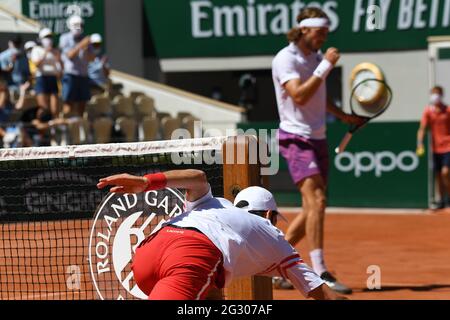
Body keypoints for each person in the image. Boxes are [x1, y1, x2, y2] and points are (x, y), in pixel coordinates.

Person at [96, 169, 342, 300]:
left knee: (212, 289)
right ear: (270, 215)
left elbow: (199, 177)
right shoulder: (273, 235)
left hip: (149, 252)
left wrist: (146, 182)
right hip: (190, 257)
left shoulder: (216, 205)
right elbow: (325, 295)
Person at [271, 7, 366, 294]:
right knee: (318, 201)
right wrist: (325, 66)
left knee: (311, 208)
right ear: (303, 30)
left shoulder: (314, 57)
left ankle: (277, 266)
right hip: (295, 138)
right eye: (320, 32)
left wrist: (344, 116)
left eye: (326, 32)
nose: (324, 37)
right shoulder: (285, 58)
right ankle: (320, 271)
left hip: (318, 138)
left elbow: (318, 99)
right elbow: (300, 96)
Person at [417, 86, 450, 209]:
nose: (435, 96)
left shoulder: (448, 110)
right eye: (433, 94)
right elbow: (422, 128)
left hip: (448, 146)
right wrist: (419, 143)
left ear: (442, 95)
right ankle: (441, 199)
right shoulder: (428, 111)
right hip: (435, 148)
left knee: (445, 172)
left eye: (437, 94)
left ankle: (449, 197)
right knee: (438, 175)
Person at [59, 15, 95, 117]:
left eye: (80, 25)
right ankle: (67, 127)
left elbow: (91, 59)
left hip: (83, 76)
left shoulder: (86, 40)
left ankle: (78, 127)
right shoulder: (65, 38)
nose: (78, 27)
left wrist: (87, 49)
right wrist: (81, 45)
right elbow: (69, 55)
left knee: (82, 104)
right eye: (75, 25)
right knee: (68, 103)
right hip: (70, 75)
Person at [31, 28, 63, 118]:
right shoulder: (36, 49)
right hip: (41, 78)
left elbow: (60, 67)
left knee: (55, 109)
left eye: (50, 37)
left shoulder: (55, 51)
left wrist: (58, 58)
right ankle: (43, 129)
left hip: (52, 78)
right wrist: (45, 52)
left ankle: (54, 129)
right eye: (46, 37)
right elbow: (36, 64)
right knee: (43, 109)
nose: (49, 39)